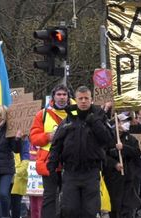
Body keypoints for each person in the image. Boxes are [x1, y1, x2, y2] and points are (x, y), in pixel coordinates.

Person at [47, 86, 112, 218]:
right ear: (75, 100)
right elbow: (56, 144)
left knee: (90, 211)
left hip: (91, 172)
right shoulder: (67, 121)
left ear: (91, 100)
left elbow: (108, 140)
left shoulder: (99, 119)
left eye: (86, 98)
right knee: (70, 210)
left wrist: (95, 123)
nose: (83, 101)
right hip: (71, 172)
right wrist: (52, 164)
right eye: (80, 98)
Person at [29, 83, 72, 218]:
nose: (62, 97)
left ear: (68, 97)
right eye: (59, 94)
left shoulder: (75, 114)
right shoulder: (42, 114)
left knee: (69, 198)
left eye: (64, 94)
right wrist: (48, 136)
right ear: (53, 96)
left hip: (70, 162)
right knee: (49, 197)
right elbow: (34, 138)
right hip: (49, 162)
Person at [0, 105, 22, 218]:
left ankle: (6, 215)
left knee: (3, 194)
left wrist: (17, 139)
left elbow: (16, 149)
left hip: (6, 168)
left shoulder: (9, 130)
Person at [105, 113, 141, 218]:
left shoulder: (131, 139)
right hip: (113, 179)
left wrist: (124, 148)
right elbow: (103, 155)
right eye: (122, 121)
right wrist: (114, 164)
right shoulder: (108, 138)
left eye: (127, 122)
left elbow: (137, 152)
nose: (125, 124)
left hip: (128, 179)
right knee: (114, 208)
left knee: (127, 208)